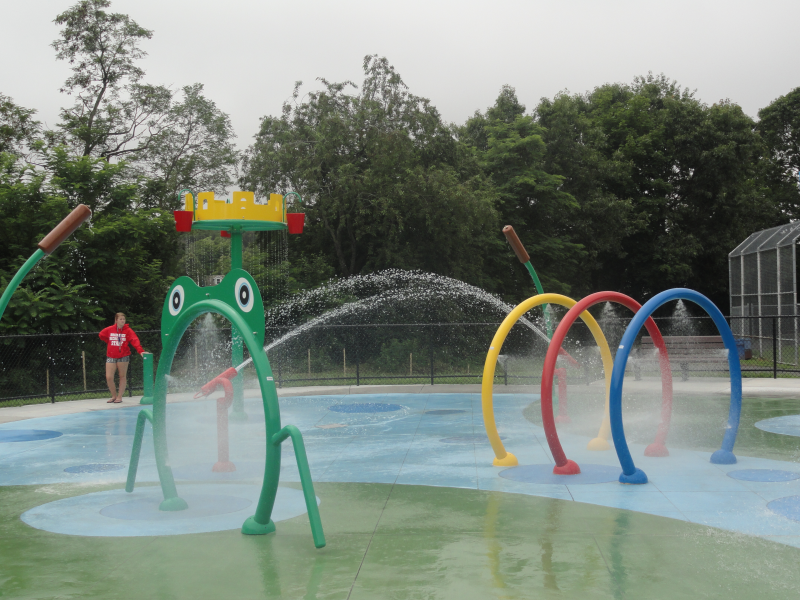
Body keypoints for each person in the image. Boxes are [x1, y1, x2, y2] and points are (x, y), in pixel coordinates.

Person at [99, 313, 149, 403]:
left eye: (124, 319)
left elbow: (135, 340)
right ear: (116, 320)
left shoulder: (128, 330)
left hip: (123, 356)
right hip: (111, 356)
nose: (122, 321)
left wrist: (140, 351)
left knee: (122, 376)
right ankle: (113, 395)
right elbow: (101, 335)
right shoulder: (110, 329)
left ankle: (119, 396)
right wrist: (109, 342)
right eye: (121, 319)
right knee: (109, 377)